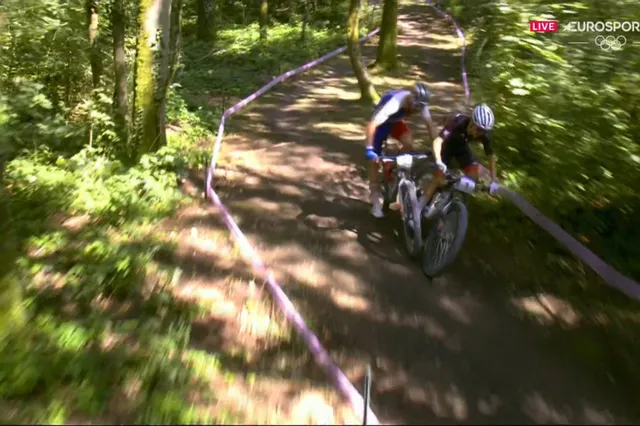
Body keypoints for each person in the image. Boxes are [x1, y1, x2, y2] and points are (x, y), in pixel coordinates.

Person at [364, 83, 437, 218]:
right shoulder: (395, 103)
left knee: (408, 143)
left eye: (419, 108)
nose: (416, 111)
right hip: (380, 123)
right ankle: (375, 201)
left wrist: (438, 148)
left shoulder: (421, 104)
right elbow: (372, 125)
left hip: (395, 121)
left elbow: (431, 127)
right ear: (410, 99)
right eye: (415, 108)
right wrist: (369, 149)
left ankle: (393, 167)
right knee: (374, 161)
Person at [419, 103, 500, 217]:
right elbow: (438, 141)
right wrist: (438, 161)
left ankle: (451, 200)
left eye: (483, 131)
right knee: (438, 179)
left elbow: (491, 157)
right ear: (472, 122)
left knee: (476, 174)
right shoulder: (458, 122)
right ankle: (417, 209)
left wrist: (493, 180)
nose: (480, 133)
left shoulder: (483, 134)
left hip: (461, 148)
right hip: (446, 147)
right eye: (479, 129)